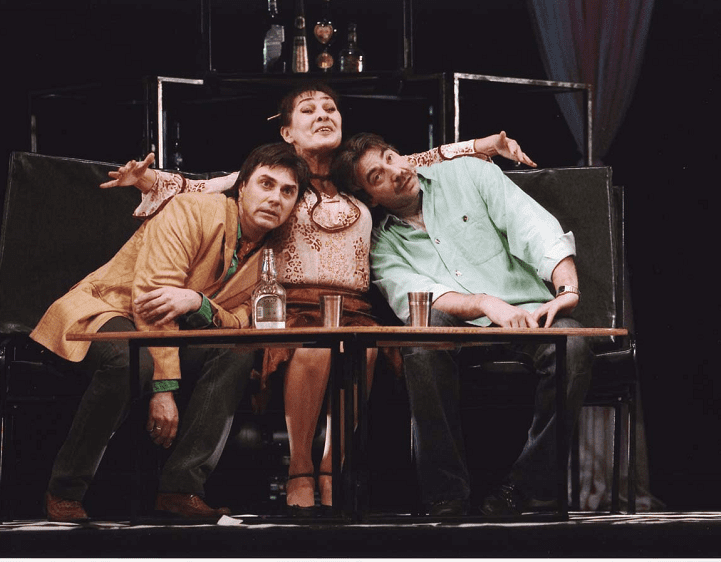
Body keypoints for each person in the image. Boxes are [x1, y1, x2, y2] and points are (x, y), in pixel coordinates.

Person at [101, 82, 536, 514]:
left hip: (355, 307)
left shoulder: (357, 177)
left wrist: (482, 145)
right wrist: (147, 179)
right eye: (308, 110)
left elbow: (417, 161)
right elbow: (202, 187)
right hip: (293, 306)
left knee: (363, 352)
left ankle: (332, 470)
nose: (323, 115)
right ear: (287, 131)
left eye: (330, 107)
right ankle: (301, 470)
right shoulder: (280, 179)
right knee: (315, 350)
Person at [30, 142, 309, 522]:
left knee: (237, 352)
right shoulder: (192, 210)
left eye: (288, 191)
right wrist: (163, 390)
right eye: (266, 184)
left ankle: (181, 489)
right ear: (242, 186)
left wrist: (198, 303)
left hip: (174, 332)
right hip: (108, 307)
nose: (275, 198)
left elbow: (243, 322)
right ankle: (64, 490)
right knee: (131, 361)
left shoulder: (274, 254)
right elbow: (151, 299)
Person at [330, 132, 593, 517]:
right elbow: (418, 295)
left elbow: (532, 227)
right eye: (376, 176)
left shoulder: (468, 174)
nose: (395, 171)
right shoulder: (381, 244)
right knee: (422, 329)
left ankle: (524, 488)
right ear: (369, 197)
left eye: (390, 157)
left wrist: (566, 288)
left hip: (528, 314)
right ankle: (446, 496)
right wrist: (485, 303)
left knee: (574, 346)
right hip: (457, 330)